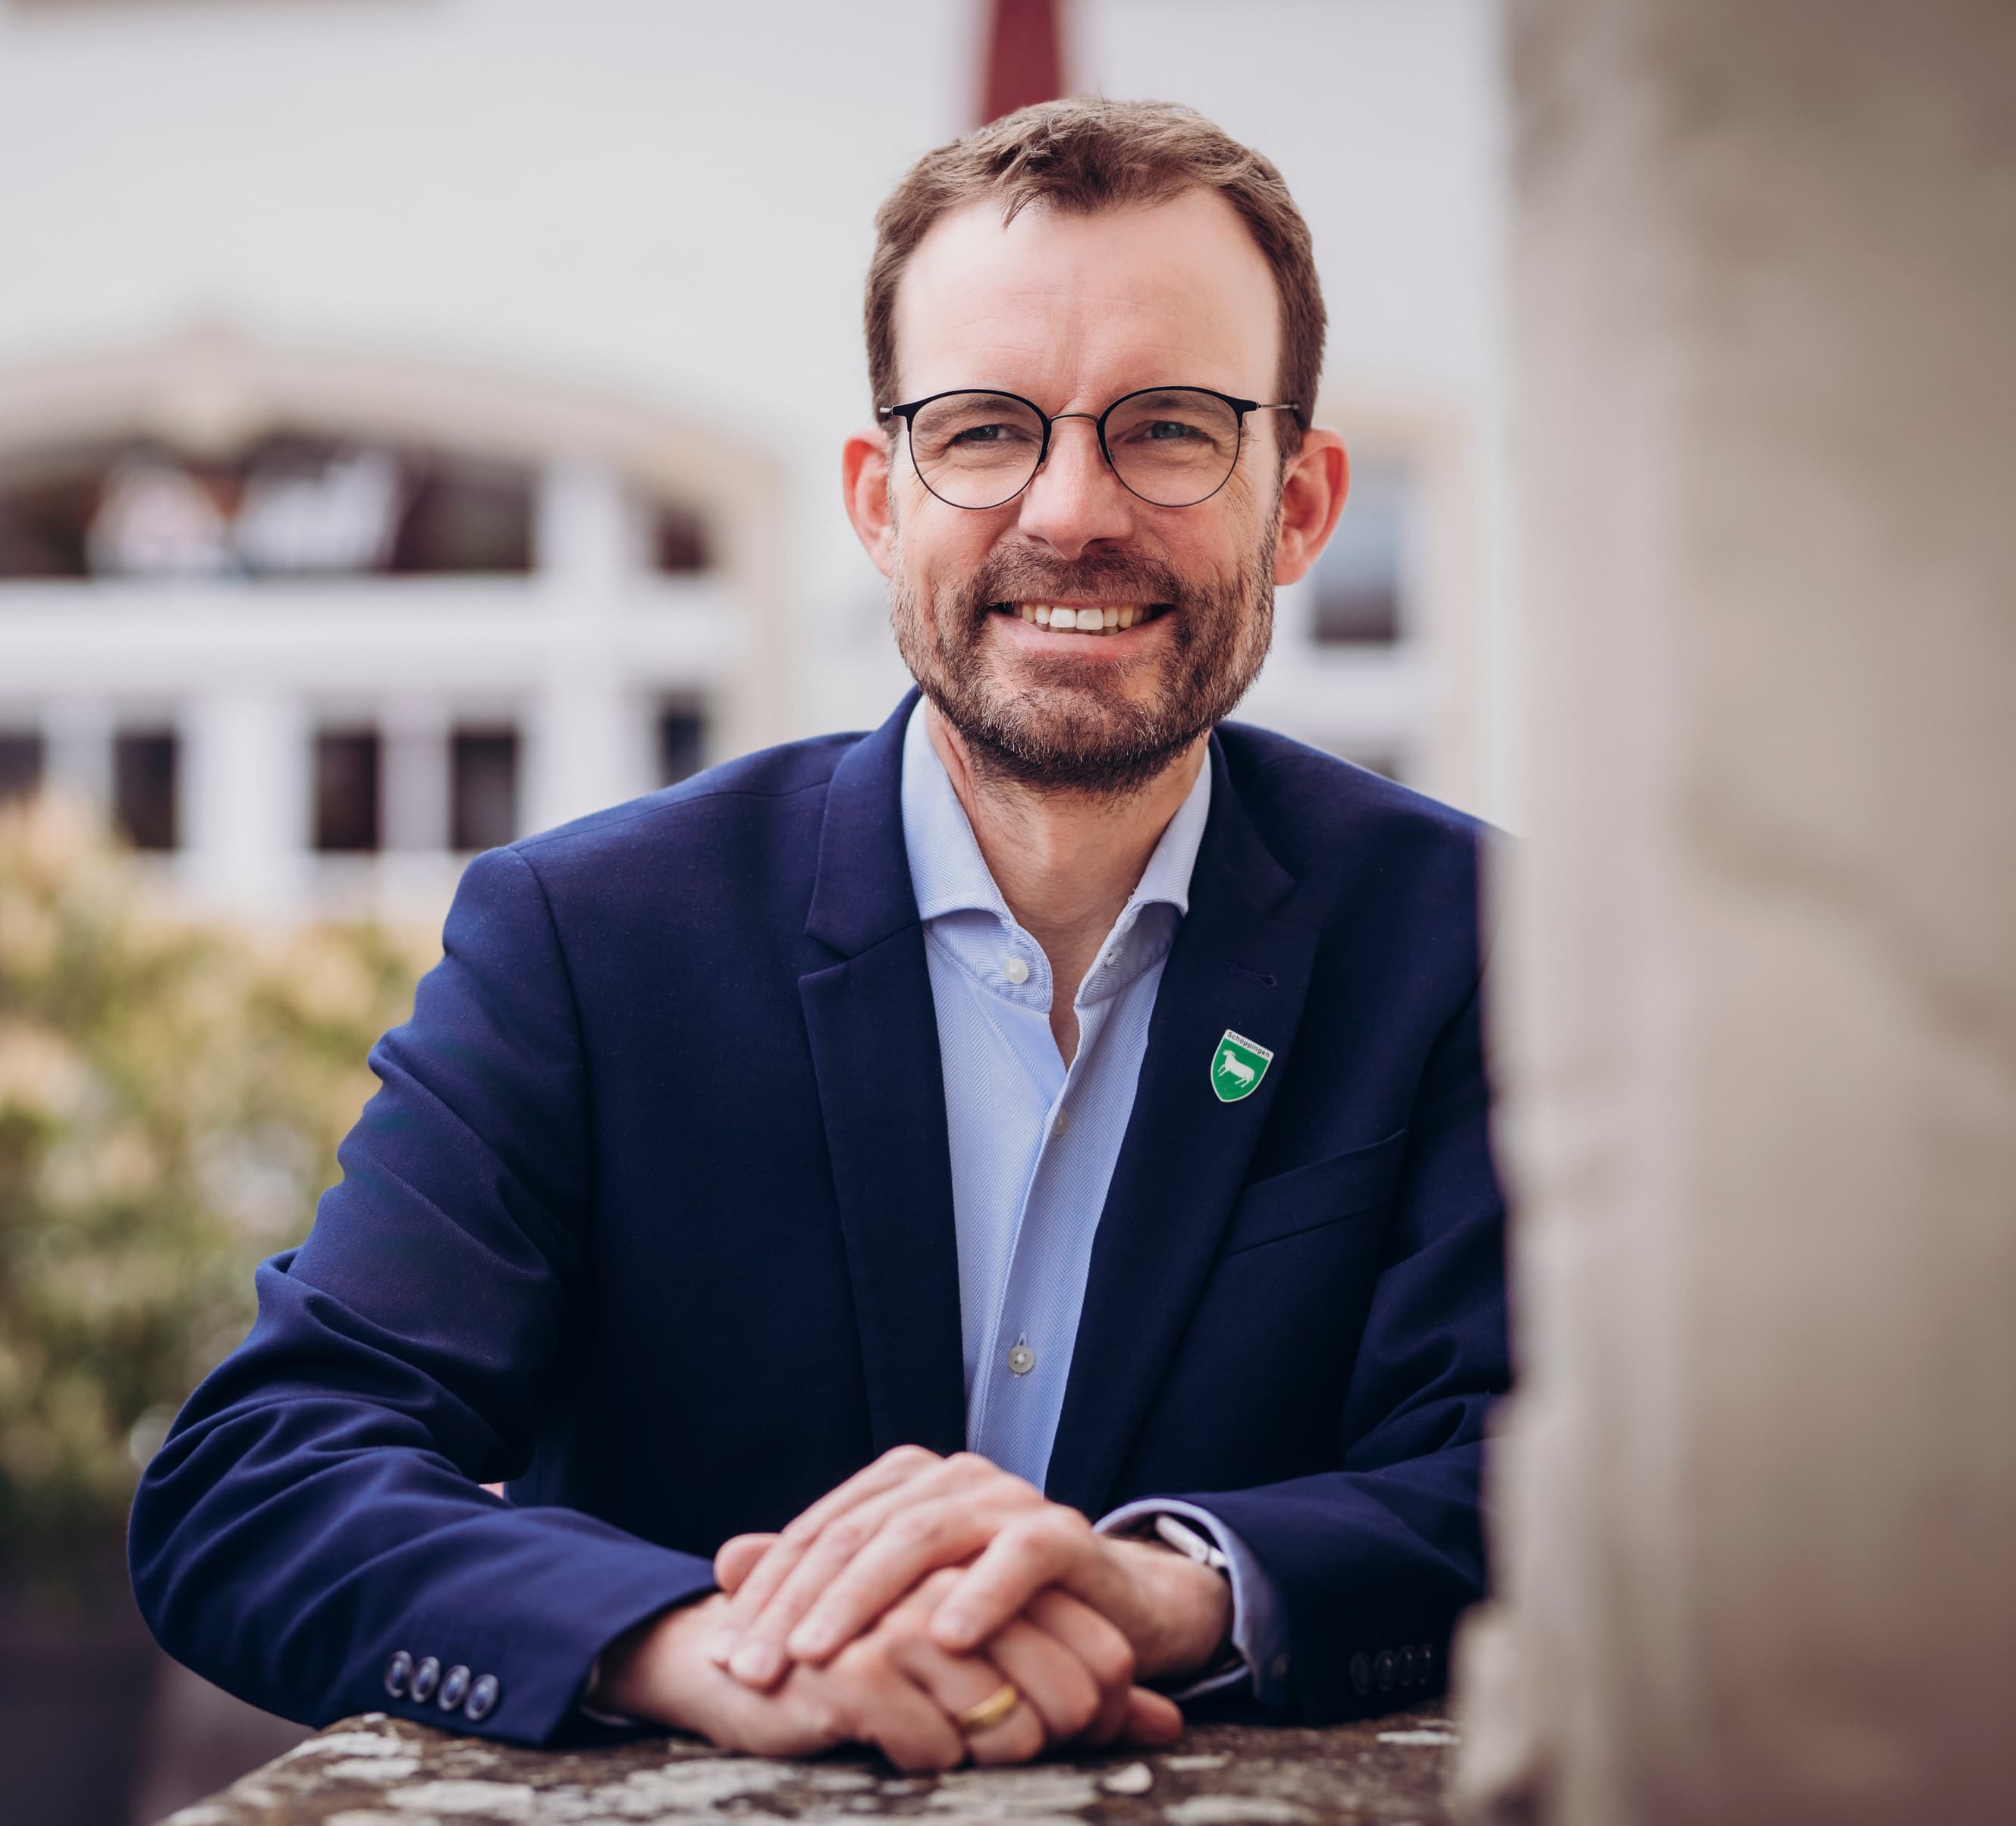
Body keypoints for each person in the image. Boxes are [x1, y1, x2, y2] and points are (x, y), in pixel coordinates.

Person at [128, 99, 1508, 1771]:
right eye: (986, 428)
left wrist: (1172, 1589)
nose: (1069, 510)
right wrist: (703, 1643)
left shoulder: (1472, 944)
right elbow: (266, 1472)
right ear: (879, 497)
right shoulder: (591, 942)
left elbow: (1543, 1464)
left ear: (1300, 503)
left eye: (1169, 428)